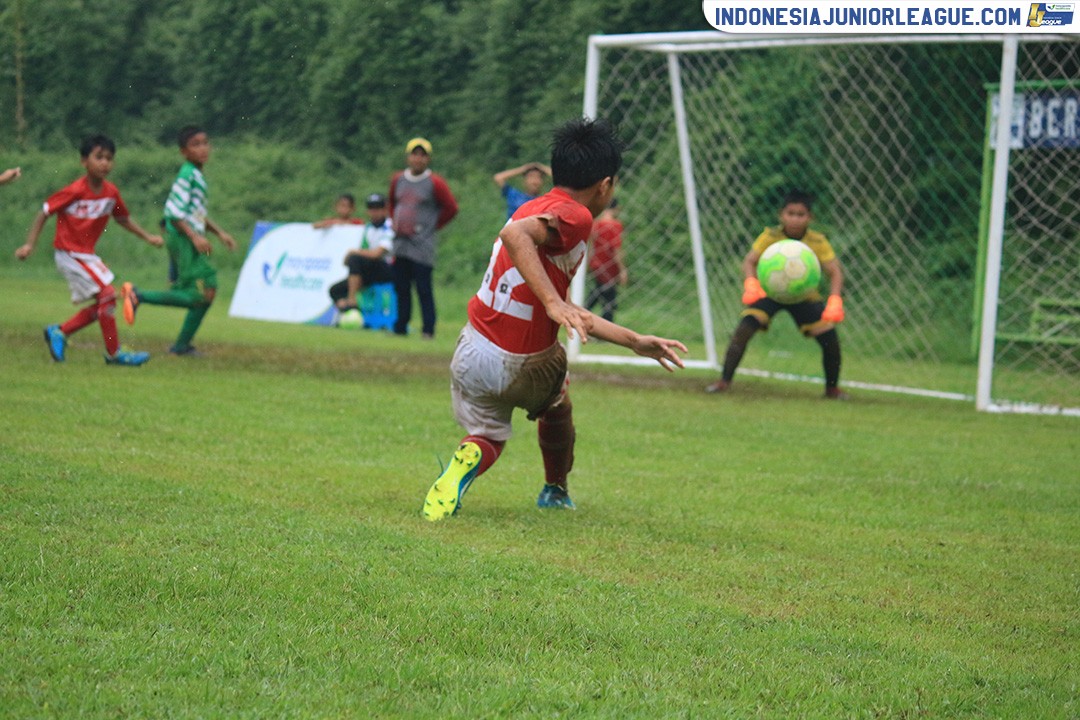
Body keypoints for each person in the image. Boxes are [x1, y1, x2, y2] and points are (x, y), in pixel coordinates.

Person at [422, 118, 687, 521]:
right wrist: (552, 303)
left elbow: (565, 303)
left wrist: (634, 341)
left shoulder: (532, 207)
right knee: (558, 406)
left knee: (488, 435)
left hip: (471, 350)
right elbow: (516, 238)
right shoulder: (576, 215)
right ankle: (555, 490)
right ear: (605, 185)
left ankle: (471, 454)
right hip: (524, 361)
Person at [14, 135, 162, 366]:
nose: (104, 163)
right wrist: (29, 244)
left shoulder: (110, 193)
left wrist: (147, 236)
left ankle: (60, 331)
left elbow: (122, 218)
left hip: (86, 255)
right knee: (108, 296)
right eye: (99, 157)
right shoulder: (75, 190)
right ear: (84, 161)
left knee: (107, 301)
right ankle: (114, 353)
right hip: (69, 253)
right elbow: (44, 212)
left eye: (109, 158)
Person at [705, 189, 847, 398]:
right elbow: (750, 261)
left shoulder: (817, 241)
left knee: (830, 339)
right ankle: (724, 381)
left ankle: (832, 389)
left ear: (810, 217)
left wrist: (835, 299)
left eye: (801, 214)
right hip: (770, 294)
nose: (795, 219)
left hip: (804, 297)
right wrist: (751, 283)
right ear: (781, 215)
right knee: (744, 329)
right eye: (791, 213)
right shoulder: (771, 237)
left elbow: (835, 271)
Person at [121, 125, 236, 356]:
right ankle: (138, 295)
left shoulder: (196, 174)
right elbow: (174, 214)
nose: (203, 148)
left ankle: (181, 345)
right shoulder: (187, 175)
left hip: (185, 239)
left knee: (204, 292)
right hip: (183, 239)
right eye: (195, 144)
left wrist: (219, 232)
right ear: (184, 151)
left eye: (205, 143)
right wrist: (195, 237)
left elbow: (195, 214)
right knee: (204, 290)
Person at [387, 137, 458, 338]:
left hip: (422, 244)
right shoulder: (398, 179)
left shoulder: (435, 183)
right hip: (400, 243)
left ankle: (428, 329)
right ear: (408, 157)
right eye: (414, 154)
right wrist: (395, 221)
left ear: (428, 159)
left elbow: (451, 208)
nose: (418, 159)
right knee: (401, 287)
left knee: (423, 288)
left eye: (422, 155)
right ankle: (400, 326)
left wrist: (433, 225)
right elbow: (392, 202)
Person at [327, 193, 395, 313]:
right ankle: (351, 313)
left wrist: (353, 253)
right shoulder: (368, 228)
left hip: (388, 268)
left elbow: (377, 254)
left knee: (355, 258)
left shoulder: (390, 227)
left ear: (385, 209)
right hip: (368, 270)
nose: (374, 212)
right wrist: (352, 256)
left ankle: (352, 302)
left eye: (378, 208)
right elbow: (357, 257)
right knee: (335, 290)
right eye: (371, 208)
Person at [584, 199, 628, 322]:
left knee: (600, 291)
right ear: (616, 208)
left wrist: (588, 263)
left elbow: (591, 247)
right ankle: (604, 321)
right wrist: (622, 269)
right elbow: (616, 249)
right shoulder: (615, 225)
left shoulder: (595, 224)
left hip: (597, 264)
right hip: (609, 265)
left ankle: (585, 310)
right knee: (609, 296)